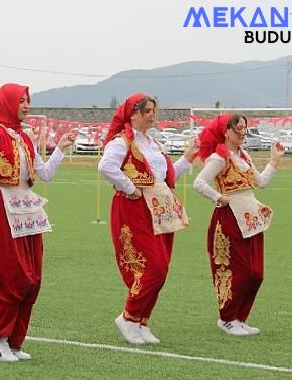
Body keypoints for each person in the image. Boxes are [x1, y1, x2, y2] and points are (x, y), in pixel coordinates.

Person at [0, 83, 76, 362]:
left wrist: (59, 149)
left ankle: (13, 339)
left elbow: (45, 174)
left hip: (26, 210)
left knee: (32, 277)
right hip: (1, 209)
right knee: (8, 274)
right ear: (6, 104)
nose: (26, 105)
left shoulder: (24, 138)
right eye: (21, 101)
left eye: (27, 100)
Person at [98, 93, 198, 344]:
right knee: (151, 268)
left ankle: (141, 321)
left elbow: (165, 175)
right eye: (148, 111)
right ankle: (128, 316)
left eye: (154, 110)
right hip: (134, 209)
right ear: (134, 114)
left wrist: (188, 158)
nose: (153, 115)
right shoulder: (122, 142)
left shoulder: (153, 143)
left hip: (159, 209)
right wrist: (130, 188)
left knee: (162, 269)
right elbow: (105, 167)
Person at [193, 113, 284, 336]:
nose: (243, 132)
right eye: (238, 129)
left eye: (245, 128)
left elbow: (260, 182)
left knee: (256, 273)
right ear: (226, 132)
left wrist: (274, 160)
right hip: (229, 218)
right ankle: (227, 318)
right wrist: (218, 197)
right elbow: (199, 183)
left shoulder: (243, 155)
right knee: (239, 271)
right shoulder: (219, 157)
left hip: (250, 218)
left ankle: (240, 318)